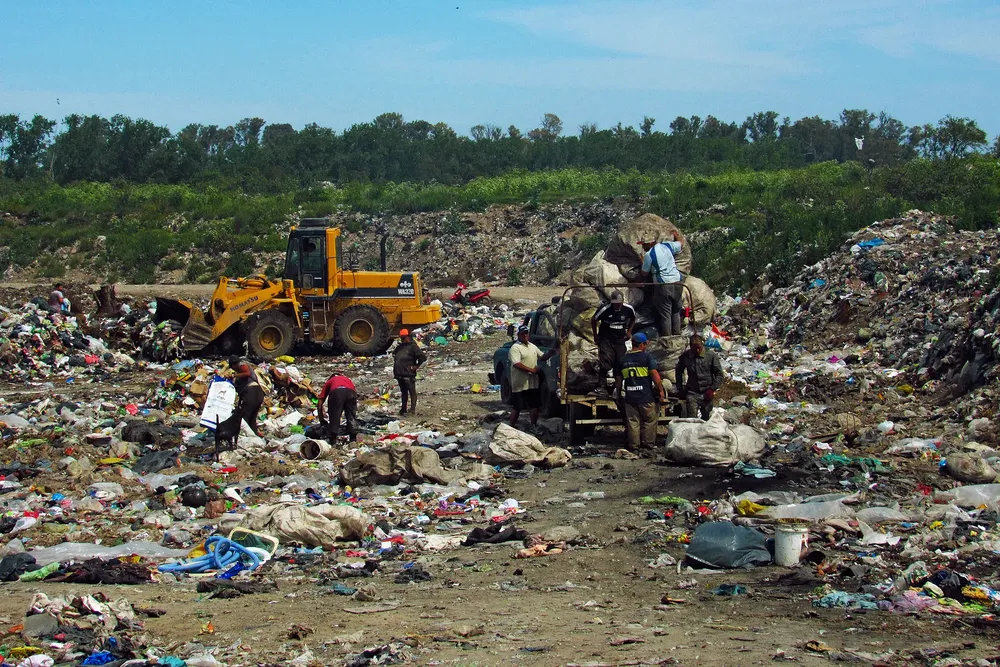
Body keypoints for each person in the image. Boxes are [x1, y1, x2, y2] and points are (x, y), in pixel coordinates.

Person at [617, 332, 665, 452]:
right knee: (649, 421)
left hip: (630, 398)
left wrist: (618, 394)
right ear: (642, 345)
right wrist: (661, 390)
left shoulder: (623, 359)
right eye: (645, 344)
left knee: (633, 423)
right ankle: (647, 446)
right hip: (645, 398)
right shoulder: (646, 357)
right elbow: (655, 375)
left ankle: (634, 447)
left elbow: (618, 380)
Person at [508, 324, 556, 431]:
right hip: (520, 383)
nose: (525, 336)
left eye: (526, 333)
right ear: (519, 335)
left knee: (534, 405)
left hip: (532, 382)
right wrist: (532, 370)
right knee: (517, 406)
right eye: (523, 334)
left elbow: (542, 356)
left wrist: (551, 352)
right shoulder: (515, 348)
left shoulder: (532, 346)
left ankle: (533, 425)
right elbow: (517, 363)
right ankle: (511, 427)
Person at [639, 232, 685, 336]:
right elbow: (681, 243)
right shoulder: (667, 246)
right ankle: (677, 335)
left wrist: (642, 262)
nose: (643, 247)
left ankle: (668, 339)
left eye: (644, 244)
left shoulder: (649, 254)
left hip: (664, 285)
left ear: (650, 243)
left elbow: (644, 273)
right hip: (678, 282)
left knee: (666, 315)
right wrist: (676, 235)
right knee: (676, 311)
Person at [591, 290, 636, 393]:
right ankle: (601, 386)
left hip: (620, 340)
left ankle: (619, 387)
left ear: (622, 301)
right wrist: (595, 335)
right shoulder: (605, 309)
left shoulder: (628, 309)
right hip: (606, 339)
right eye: (615, 304)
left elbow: (633, 319)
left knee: (619, 363)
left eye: (619, 304)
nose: (617, 306)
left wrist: (629, 332)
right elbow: (594, 319)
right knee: (606, 361)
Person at [675, 334, 723, 420]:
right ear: (690, 347)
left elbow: (719, 374)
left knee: (706, 420)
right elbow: (678, 371)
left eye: (699, 348)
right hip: (692, 393)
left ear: (702, 345)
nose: (697, 350)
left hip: (707, 392)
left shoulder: (711, 356)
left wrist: (712, 389)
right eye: (694, 348)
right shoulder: (685, 356)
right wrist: (680, 388)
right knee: (692, 420)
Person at [228, 356, 265, 435]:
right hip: (258, 394)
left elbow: (247, 373)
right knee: (252, 418)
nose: (233, 369)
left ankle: (244, 435)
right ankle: (254, 435)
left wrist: (235, 376)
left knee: (245, 417)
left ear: (234, 364)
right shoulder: (239, 372)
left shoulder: (242, 365)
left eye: (232, 367)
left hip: (252, 393)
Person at [393, 329, 427, 415]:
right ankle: (403, 409)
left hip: (408, 374)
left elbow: (422, 357)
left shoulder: (413, 347)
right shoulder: (400, 347)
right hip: (399, 374)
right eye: (401, 338)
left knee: (411, 391)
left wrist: (416, 366)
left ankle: (412, 409)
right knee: (403, 392)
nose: (402, 339)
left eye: (404, 338)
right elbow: (394, 354)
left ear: (408, 337)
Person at [317, 373, 359, 442]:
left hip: (337, 393)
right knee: (351, 416)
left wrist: (321, 420)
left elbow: (320, 403)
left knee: (334, 415)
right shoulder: (347, 379)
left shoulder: (330, 381)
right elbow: (354, 393)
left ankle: (333, 440)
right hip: (351, 393)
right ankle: (353, 439)